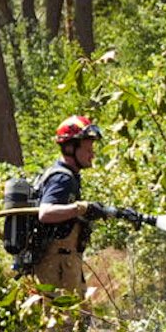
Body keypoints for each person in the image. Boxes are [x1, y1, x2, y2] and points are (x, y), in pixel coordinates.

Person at [28, 115, 120, 297]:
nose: (92, 154)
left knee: (77, 320)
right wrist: (81, 208)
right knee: (62, 322)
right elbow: (46, 213)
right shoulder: (62, 178)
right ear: (71, 148)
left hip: (63, 263)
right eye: (88, 148)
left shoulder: (66, 176)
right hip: (57, 267)